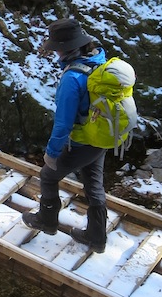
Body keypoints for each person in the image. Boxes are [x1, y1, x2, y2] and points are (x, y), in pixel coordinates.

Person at [23, 17, 109, 253]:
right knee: (94, 183)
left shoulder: (73, 77)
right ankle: (96, 236)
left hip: (82, 141)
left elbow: (63, 124)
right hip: (101, 136)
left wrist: (51, 154)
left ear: (64, 49)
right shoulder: (98, 59)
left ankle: (47, 221)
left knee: (48, 176)